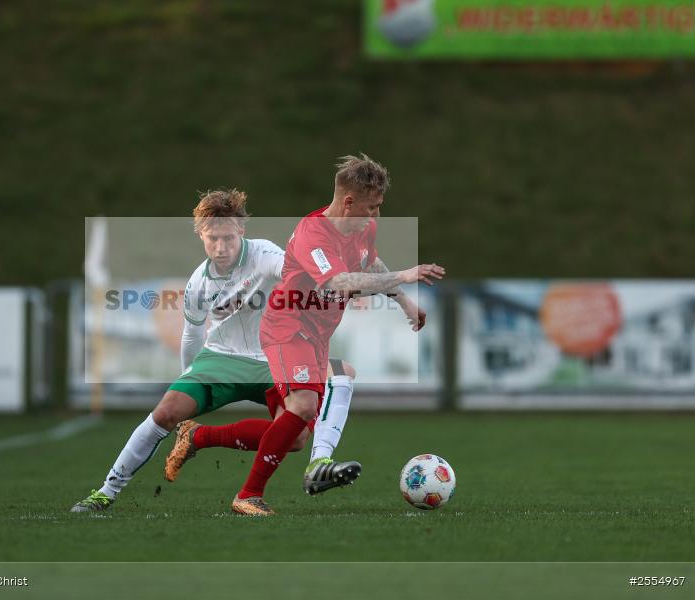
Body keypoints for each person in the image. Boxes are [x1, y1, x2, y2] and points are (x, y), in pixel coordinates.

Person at [71, 189, 360, 513]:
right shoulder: (199, 283)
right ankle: (105, 491)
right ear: (200, 235)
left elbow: (294, 272)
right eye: (212, 239)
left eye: (227, 238)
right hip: (222, 359)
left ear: (241, 231)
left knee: (298, 433)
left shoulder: (264, 255)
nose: (221, 247)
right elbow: (191, 338)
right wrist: (187, 379)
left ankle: (207, 439)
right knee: (166, 412)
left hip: (274, 357)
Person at [229, 154, 446, 516]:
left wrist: (404, 301)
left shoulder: (363, 228)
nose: (376, 215)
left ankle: (199, 437)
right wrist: (404, 276)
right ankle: (250, 494)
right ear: (348, 203)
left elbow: (368, 262)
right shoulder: (313, 234)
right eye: (372, 207)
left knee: (302, 426)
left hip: (317, 335)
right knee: (303, 405)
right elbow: (337, 281)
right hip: (288, 326)